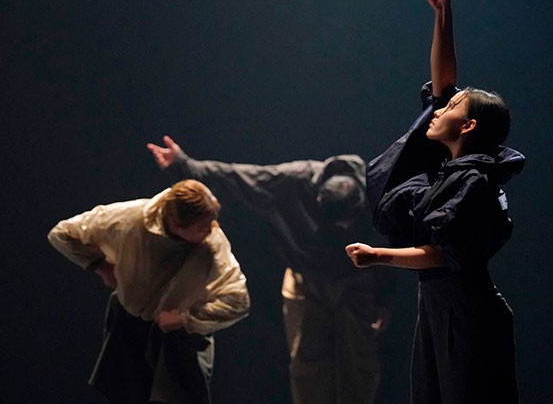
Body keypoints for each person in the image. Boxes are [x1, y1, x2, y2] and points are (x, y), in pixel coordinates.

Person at [345, 0, 524, 404]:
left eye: (451, 108)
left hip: (467, 312)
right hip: (439, 306)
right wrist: (443, 14)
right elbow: (444, 82)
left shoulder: (474, 181)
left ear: (468, 126)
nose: (438, 109)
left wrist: (378, 256)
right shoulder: (453, 165)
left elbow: (444, 253)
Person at [147, 137, 395, 404]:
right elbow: (238, 177)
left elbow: (390, 243)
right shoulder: (292, 182)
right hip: (305, 280)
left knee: (359, 362)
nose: (342, 229)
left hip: (355, 281)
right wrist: (185, 165)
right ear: (319, 198)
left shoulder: (376, 190)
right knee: (307, 361)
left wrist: (384, 300)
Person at [47, 179, 250, 404]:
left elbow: (238, 300)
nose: (211, 231)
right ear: (175, 223)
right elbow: (62, 233)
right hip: (130, 324)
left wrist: (184, 319)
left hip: (179, 337)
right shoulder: (130, 219)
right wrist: (102, 267)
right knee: (127, 394)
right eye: (202, 227)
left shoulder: (212, 242)